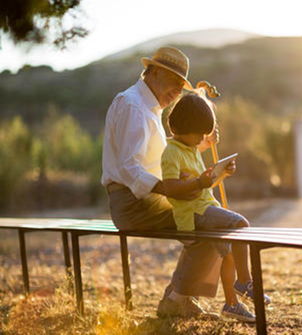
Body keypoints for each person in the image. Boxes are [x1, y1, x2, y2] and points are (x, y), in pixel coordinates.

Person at [101, 47, 223, 318]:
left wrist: (198, 143)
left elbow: (162, 160)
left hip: (145, 199)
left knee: (211, 216)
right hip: (134, 204)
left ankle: (179, 297)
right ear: (154, 72)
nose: (178, 93)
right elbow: (129, 168)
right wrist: (166, 188)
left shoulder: (147, 106)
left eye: (182, 88)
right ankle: (177, 300)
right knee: (211, 220)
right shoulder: (133, 106)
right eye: (175, 83)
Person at [160, 94, 271, 322]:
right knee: (240, 223)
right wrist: (200, 182)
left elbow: (203, 186)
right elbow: (170, 188)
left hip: (204, 207)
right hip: (192, 214)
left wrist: (221, 174)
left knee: (228, 254)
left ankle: (231, 304)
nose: (203, 138)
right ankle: (244, 281)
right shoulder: (171, 153)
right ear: (184, 128)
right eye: (199, 134)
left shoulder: (190, 150)